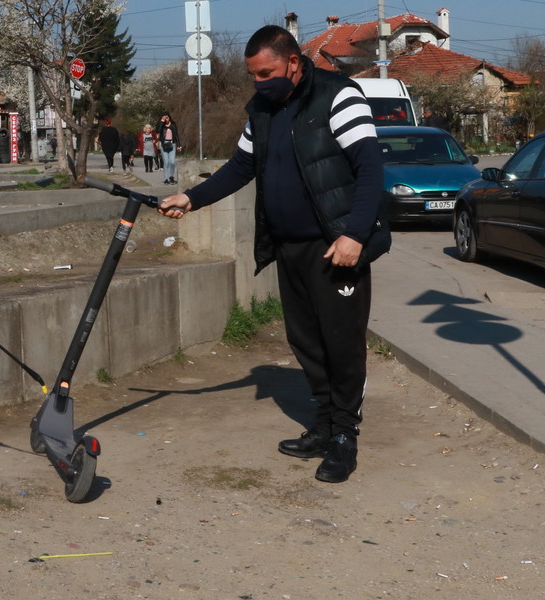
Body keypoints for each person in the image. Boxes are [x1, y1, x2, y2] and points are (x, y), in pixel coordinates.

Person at [158, 25, 387, 484]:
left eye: (267, 73)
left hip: (335, 247)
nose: (260, 83)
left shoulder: (339, 96)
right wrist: (192, 197)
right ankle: (323, 425)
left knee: (341, 344)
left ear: (293, 62)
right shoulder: (262, 109)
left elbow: (370, 167)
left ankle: (345, 437)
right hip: (289, 247)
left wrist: (354, 235)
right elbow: (242, 166)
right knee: (306, 342)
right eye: (254, 76)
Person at [159, 113, 180, 184]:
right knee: (166, 162)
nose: (166, 119)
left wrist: (178, 145)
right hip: (164, 144)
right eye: (164, 118)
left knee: (172, 162)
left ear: (169, 118)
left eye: (167, 118)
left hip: (172, 144)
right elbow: (158, 130)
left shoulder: (173, 125)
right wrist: (162, 121)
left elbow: (176, 135)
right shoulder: (161, 125)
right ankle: (166, 178)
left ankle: (171, 177)